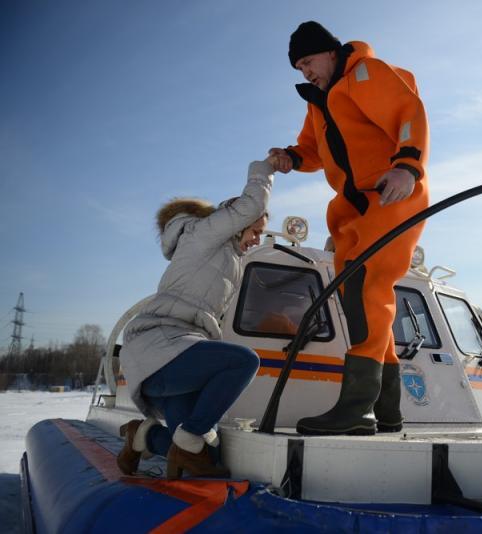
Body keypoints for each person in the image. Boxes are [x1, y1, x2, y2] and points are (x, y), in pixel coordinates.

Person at [268, 21, 429, 436]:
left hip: (391, 194)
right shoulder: (319, 102)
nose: (305, 71)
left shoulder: (365, 74)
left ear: (330, 52)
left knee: (368, 287)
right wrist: (290, 157)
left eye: (308, 61)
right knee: (356, 296)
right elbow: (312, 151)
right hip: (351, 207)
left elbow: (408, 112)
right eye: (298, 66)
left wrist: (408, 167)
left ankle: (358, 408)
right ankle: (388, 410)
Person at [116, 159, 273, 479]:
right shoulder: (203, 234)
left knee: (207, 457)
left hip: (179, 356)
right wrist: (264, 170)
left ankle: (141, 436)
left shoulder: (232, 262)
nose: (257, 239)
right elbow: (252, 202)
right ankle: (185, 440)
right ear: (236, 221)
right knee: (243, 362)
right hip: (158, 349)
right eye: (256, 230)